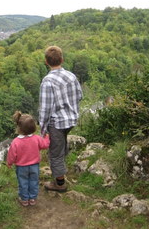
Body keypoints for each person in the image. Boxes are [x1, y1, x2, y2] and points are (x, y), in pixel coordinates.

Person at [39, 46, 82, 192]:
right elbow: (79, 96)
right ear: (62, 59)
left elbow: (45, 109)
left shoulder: (48, 81)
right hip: (71, 120)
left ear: (46, 62)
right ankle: (62, 169)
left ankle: (60, 183)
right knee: (61, 144)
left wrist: (43, 129)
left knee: (55, 153)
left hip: (57, 123)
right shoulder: (71, 76)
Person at [7, 111, 50, 207]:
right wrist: (47, 137)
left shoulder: (16, 142)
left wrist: (9, 163)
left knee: (23, 183)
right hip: (34, 165)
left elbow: (12, 155)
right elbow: (45, 145)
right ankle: (33, 199)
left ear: (19, 127)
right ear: (33, 127)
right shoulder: (37, 138)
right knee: (34, 182)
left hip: (21, 167)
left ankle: (24, 200)